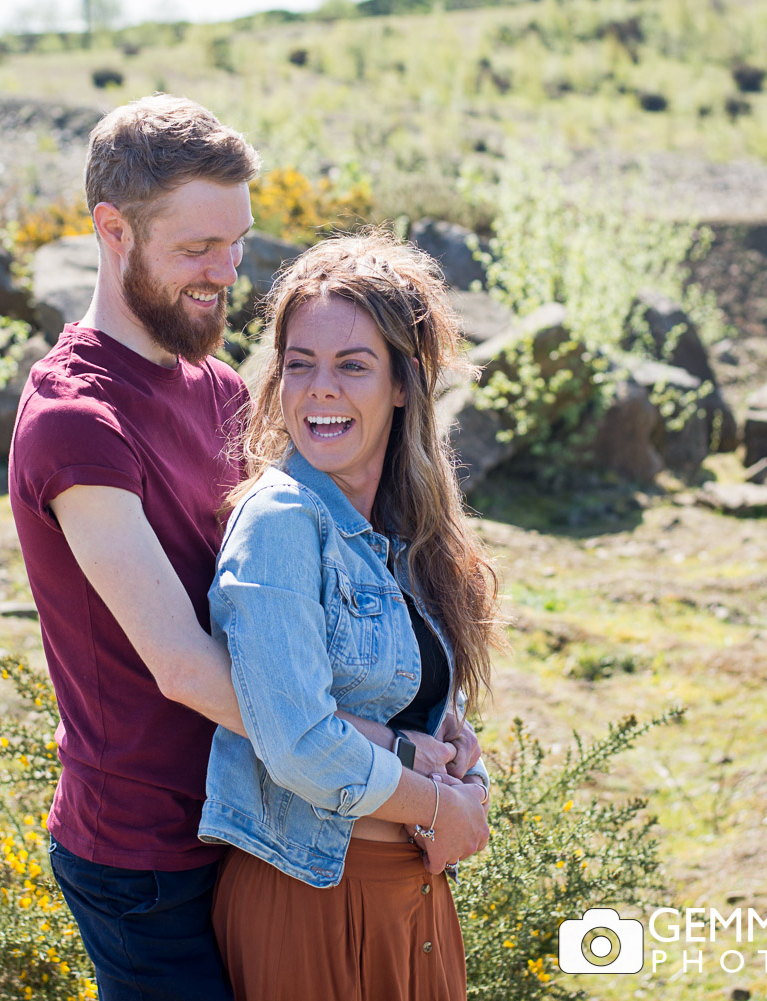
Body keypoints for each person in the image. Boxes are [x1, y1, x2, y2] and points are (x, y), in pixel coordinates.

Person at [8, 97, 486, 1001]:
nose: (226, 273)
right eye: (196, 249)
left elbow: (317, 582)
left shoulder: (220, 386)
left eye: (237, 242)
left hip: (259, 818)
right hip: (148, 850)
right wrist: (395, 753)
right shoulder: (77, 422)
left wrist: (429, 713)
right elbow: (186, 667)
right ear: (112, 231)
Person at [200, 231, 506, 1001]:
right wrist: (440, 802)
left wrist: (460, 755)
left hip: (414, 893)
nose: (319, 389)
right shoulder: (280, 520)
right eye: (299, 364)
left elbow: (410, 697)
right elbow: (299, 743)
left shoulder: (403, 529)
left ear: (403, 385)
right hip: (312, 894)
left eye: (352, 365)